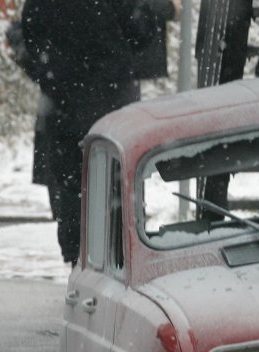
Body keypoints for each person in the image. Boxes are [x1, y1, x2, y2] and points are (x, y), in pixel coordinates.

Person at [21, 0, 181, 265]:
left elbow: (30, 31)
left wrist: (52, 67)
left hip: (64, 98)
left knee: (72, 180)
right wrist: (164, 11)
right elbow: (138, 31)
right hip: (111, 96)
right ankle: (115, 257)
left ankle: (77, 256)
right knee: (116, 180)